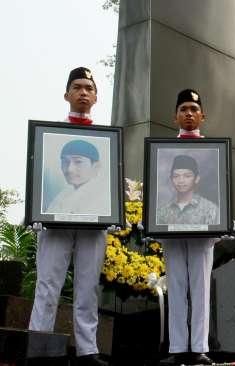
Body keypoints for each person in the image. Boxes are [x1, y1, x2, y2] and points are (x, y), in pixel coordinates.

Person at [29, 67, 109, 366]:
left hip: (94, 223)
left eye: (89, 88)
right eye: (77, 87)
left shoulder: (105, 141)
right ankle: (38, 347)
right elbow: (40, 175)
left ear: (96, 96)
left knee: (88, 287)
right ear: (67, 94)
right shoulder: (51, 136)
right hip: (55, 222)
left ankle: (87, 351)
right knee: (48, 284)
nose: (83, 92)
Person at [158, 89, 217, 366]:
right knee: (177, 285)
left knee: (201, 287)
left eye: (194, 108)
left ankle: (200, 347)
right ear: (175, 116)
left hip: (204, 230)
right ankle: (178, 347)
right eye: (183, 109)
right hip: (171, 227)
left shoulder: (215, 150)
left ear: (202, 116)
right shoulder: (163, 151)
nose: (189, 113)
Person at [46, 139, 111, 215]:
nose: (70, 169)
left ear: (96, 166)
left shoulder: (103, 199)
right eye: (65, 161)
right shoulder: (65, 194)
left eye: (78, 162)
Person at [155, 154, 219, 225]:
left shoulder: (211, 210)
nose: (181, 180)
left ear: (197, 178)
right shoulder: (162, 212)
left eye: (187, 176)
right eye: (176, 176)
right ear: (171, 179)